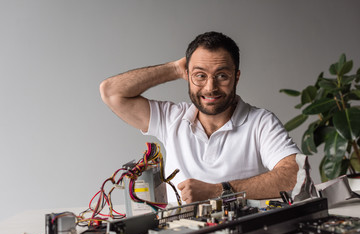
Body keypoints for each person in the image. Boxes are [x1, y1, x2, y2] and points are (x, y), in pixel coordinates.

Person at [100, 31, 300, 204]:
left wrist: (219, 191)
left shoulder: (261, 122)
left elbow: (295, 175)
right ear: (188, 76)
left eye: (221, 75)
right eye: (200, 75)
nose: (210, 87)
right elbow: (111, 92)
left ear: (236, 77)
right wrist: (175, 69)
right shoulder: (171, 119)